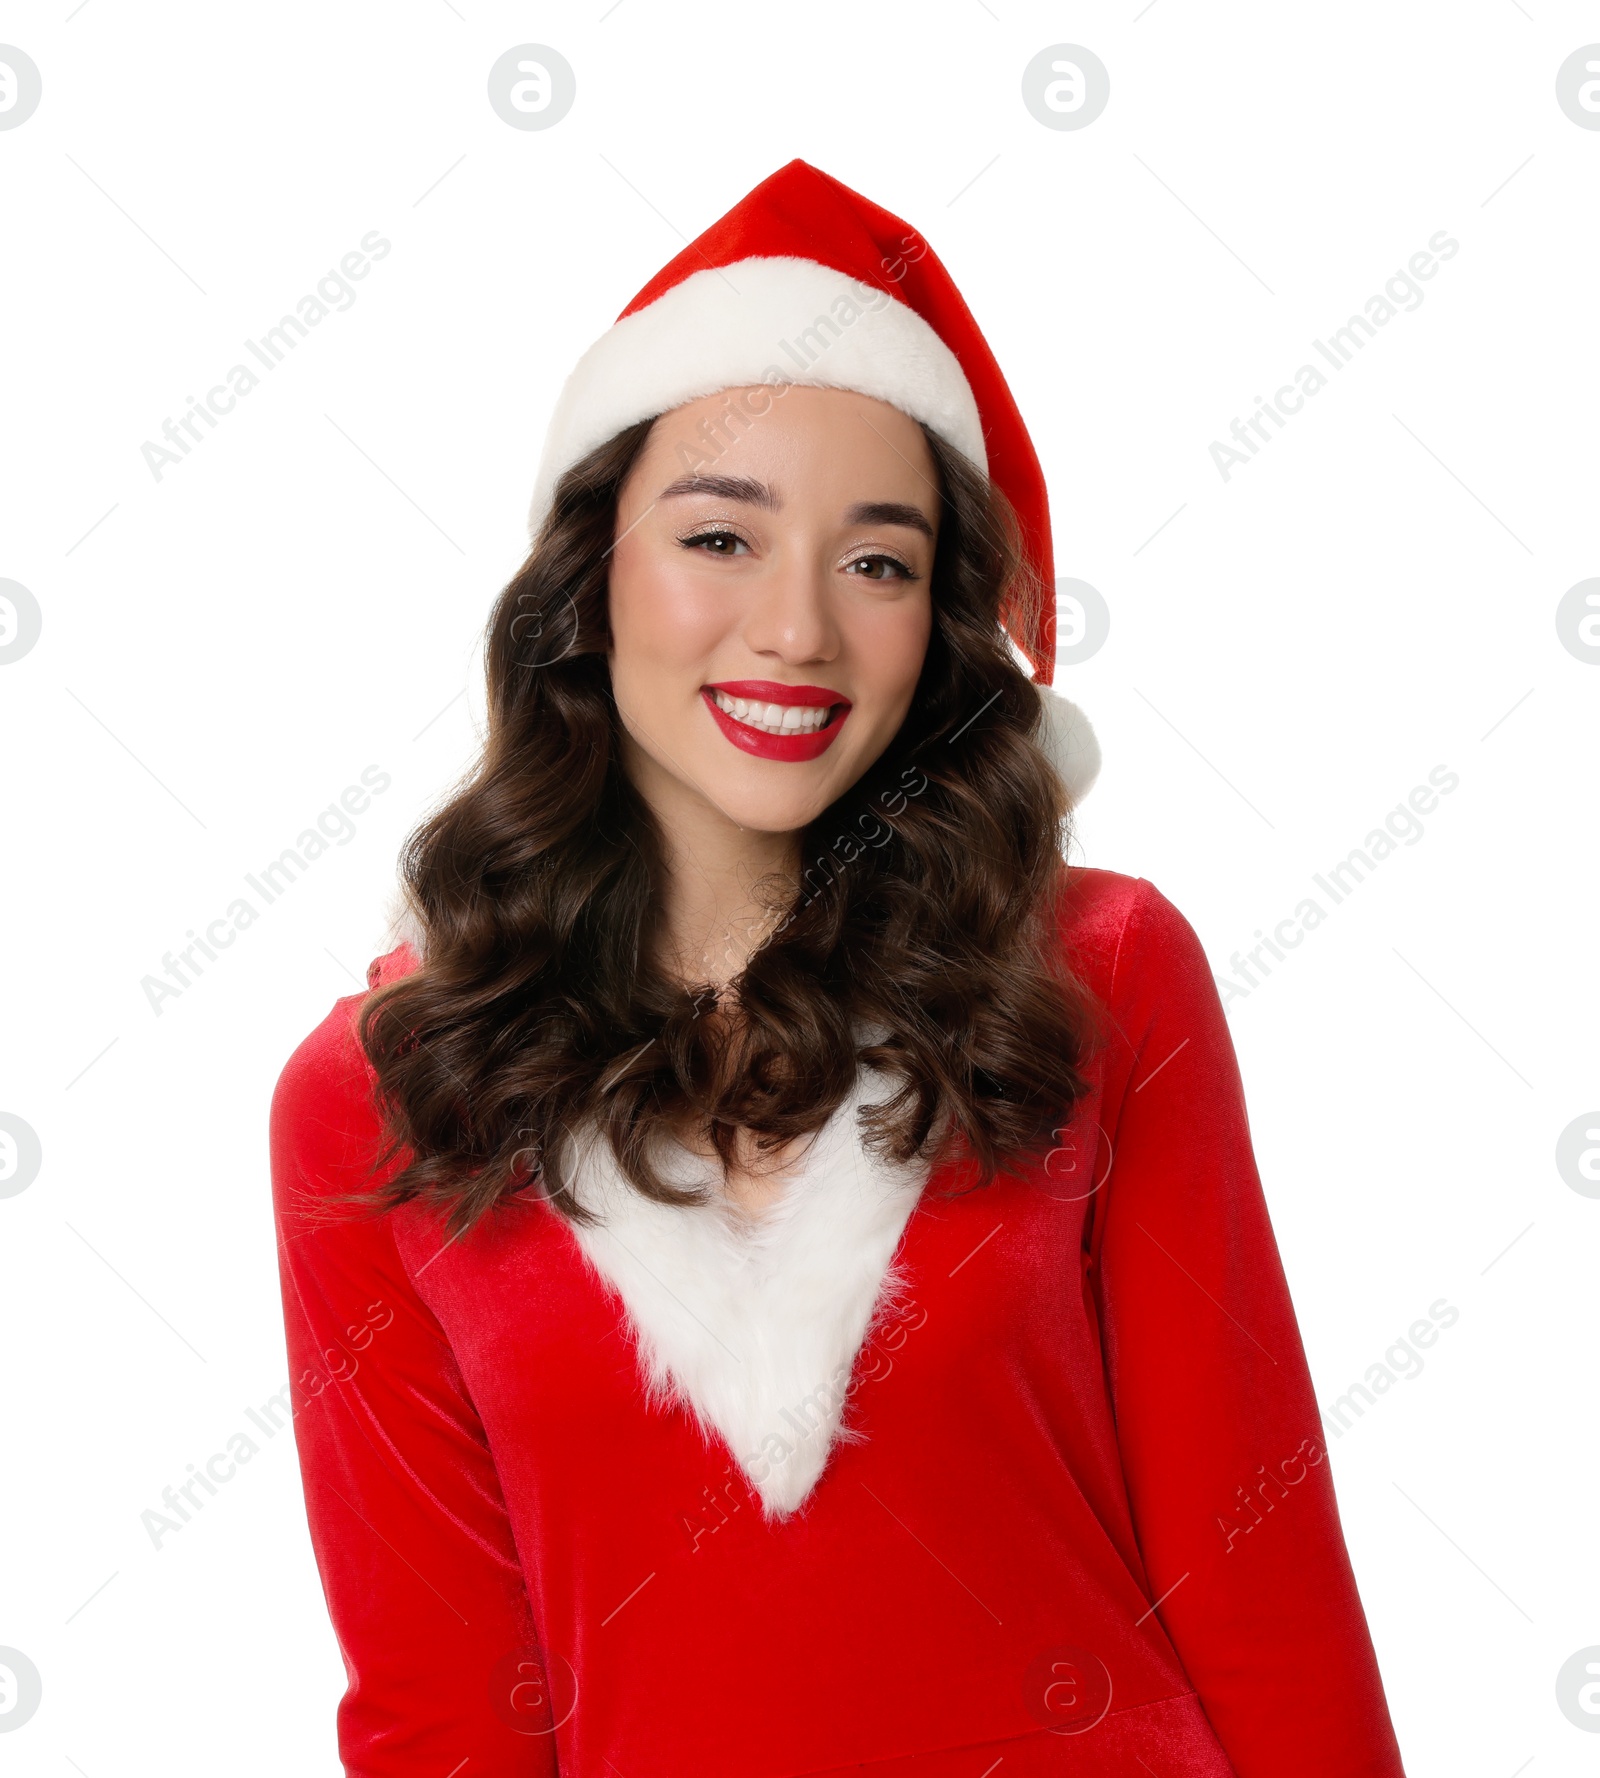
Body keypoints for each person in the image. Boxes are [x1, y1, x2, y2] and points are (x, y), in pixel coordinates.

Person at [270, 160, 1407, 1776]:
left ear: (936, 621)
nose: (796, 628)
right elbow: (443, 1713)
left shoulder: (1100, 975)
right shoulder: (378, 1096)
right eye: (721, 535)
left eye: (877, 562)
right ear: (591, 579)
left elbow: (1262, 1578)